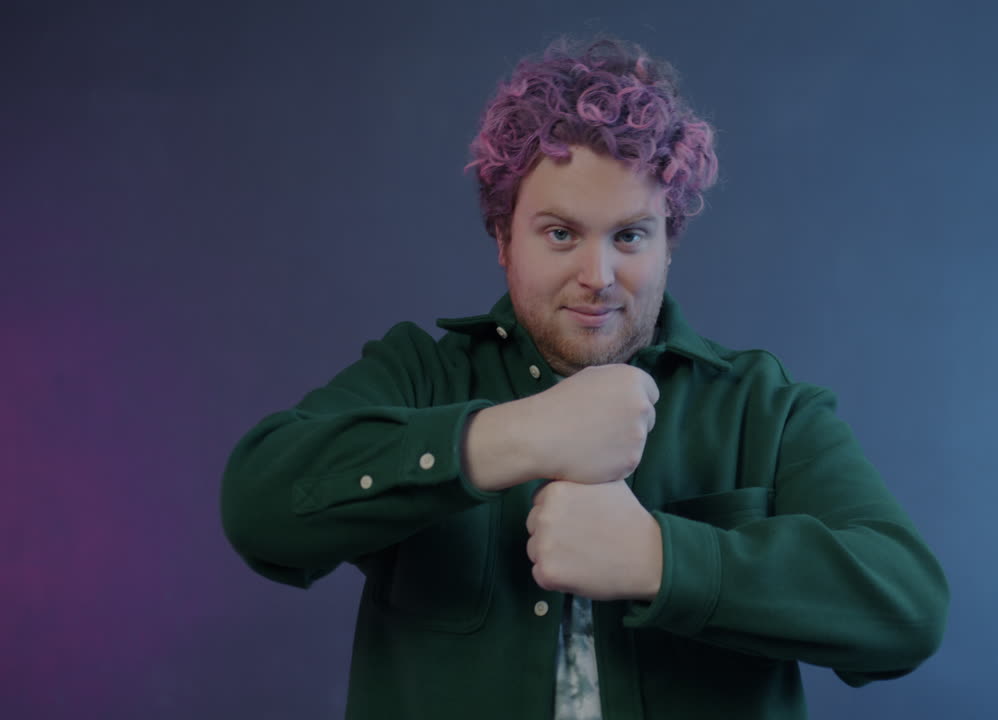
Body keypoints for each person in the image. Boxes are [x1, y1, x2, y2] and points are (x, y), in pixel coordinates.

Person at [220, 36, 948, 720]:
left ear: (669, 243)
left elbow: (909, 610)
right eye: (561, 233)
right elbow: (259, 508)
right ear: (503, 239)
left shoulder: (762, 406)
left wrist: (661, 559)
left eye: (629, 235)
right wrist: (511, 438)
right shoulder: (421, 374)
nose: (597, 276)